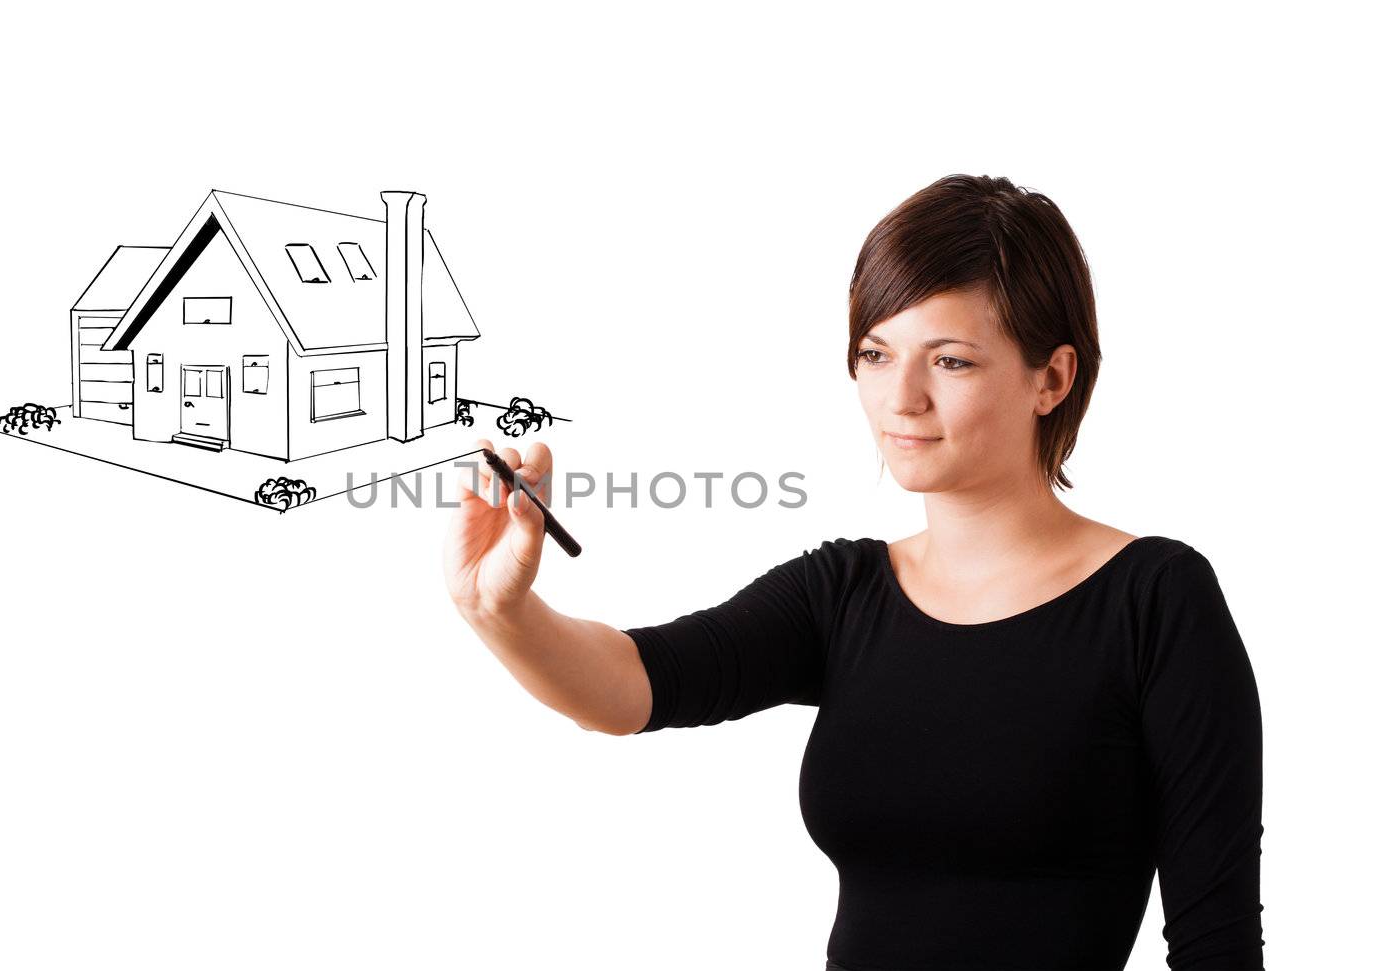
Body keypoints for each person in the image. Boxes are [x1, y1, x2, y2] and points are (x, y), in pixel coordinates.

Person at [442, 174, 1265, 971]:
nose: (899, 397)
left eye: (950, 361)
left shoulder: (1156, 602)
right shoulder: (843, 593)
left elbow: (1216, 947)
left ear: (1052, 377)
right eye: (875, 353)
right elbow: (630, 686)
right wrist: (498, 610)